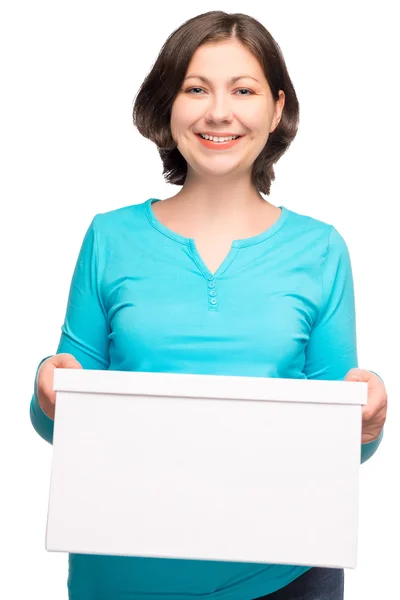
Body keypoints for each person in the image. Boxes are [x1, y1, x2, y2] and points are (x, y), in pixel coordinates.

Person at [30, 10, 387, 600]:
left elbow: (338, 444)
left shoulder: (320, 249)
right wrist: (48, 388)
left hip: (284, 577)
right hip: (121, 575)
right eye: (196, 88)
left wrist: (367, 420)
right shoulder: (109, 237)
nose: (218, 111)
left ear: (276, 109)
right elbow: (61, 421)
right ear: (167, 106)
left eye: (242, 90)